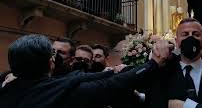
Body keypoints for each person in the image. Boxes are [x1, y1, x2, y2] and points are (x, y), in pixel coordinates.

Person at [0, 34, 172, 108]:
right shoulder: (64, 94)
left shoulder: (6, 87)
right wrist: (153, 63)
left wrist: (111, 71)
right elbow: (113, 85)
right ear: (50, 63)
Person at [146, 18, 202, 108]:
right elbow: (157, 103)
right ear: (176, 42)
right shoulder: (165, 70)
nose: (190, 38)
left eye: (195, 34)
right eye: (185, 34)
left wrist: (188, 106)